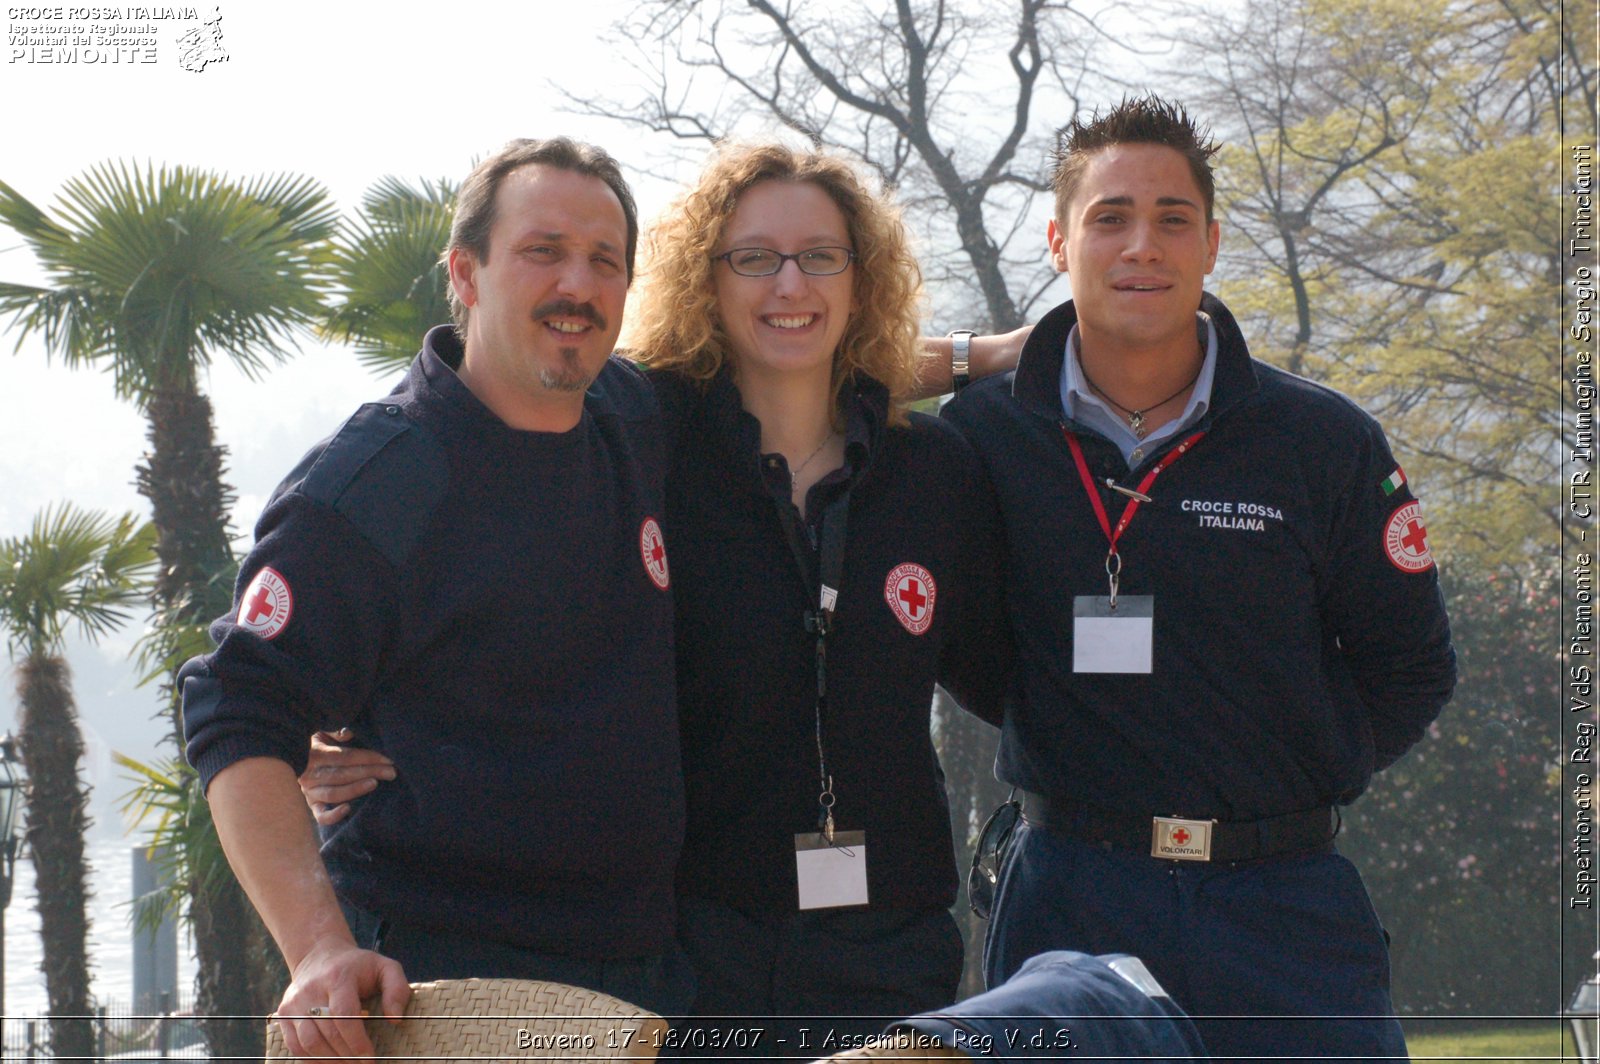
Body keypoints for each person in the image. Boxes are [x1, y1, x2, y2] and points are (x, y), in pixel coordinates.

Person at [304, 143, 1014, 1055]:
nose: (789, 282)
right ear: (703, 280)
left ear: (859, 274)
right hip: (686, 952)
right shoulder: (642, 437)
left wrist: (977, 358)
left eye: (821, 257)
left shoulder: (935, 471)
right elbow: (432, 492)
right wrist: (343, 721)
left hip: (891, 946)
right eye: (753, 257)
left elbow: (1006, 675)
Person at [939, 95, 1456, 1062]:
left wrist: (1303, 760)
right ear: (1059, 240)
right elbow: (787, 366)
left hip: (1286, 902)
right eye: (1111, 218)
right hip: (1069, 897)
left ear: (1212, 244)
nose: (1144, 245)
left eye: (1173, 219)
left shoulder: (1323, 441)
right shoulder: (979, 438)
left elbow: (1412, 666)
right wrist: (966, 355)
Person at [179, 137, 692, 1061]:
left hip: (647, 975)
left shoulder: (633, 413)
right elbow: (235, 707)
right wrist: (318, 950)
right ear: (466, 272)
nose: (578, 283)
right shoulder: (378, 480)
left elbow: (790, 352)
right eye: (544, 250)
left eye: (604, 260)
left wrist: (997, 358)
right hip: (444, 986)